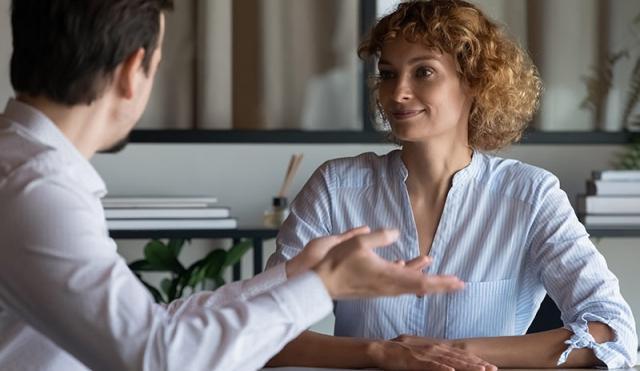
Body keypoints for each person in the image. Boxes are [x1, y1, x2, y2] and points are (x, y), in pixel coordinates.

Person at [0, 1, 499, 370]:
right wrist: (322, 287)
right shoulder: (35, 190)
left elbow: (150, 325)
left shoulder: (28, 173)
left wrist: (292, 277)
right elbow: (159, 357)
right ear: (135, 71)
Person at [267, 0, 638, 369]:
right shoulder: (335, 188)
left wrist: (457, 350)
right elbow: (264, 328)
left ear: (475, 82)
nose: (398, 93)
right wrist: (382, 353)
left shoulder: (531, 196)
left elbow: (614, 331)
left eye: (423, 72)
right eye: (388, 73)